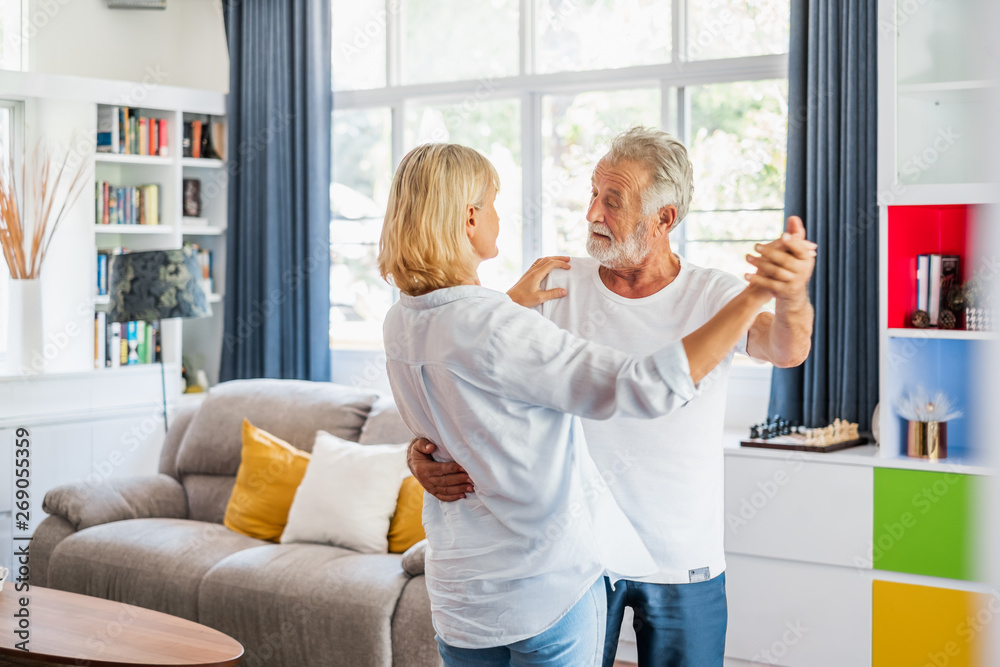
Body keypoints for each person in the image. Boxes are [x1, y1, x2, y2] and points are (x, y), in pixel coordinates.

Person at [408, 127, 816, 667]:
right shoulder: (554, 283)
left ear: (664, 218)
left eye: (613, 200)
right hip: (577, 560)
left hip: (680, 556)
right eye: (593, 194)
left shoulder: (715, 294)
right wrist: (420, 452)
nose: (592, 213)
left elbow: (786, 349)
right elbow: (469, 373)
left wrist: (789, 296)